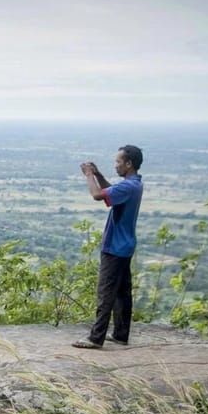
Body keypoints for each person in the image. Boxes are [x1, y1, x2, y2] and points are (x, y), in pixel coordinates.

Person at [72, 145, 144, 349]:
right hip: (126, 245)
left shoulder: (128, 187)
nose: (116, 165)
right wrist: (99, 174)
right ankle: (121, 333)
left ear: (129, 164)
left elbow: (97, 195)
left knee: (106, 292)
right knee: (122, 292)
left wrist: (88, 175)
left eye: (118, 162)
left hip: (115, 246)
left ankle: (96, 338)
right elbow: (109, 192)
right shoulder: (134, 184)